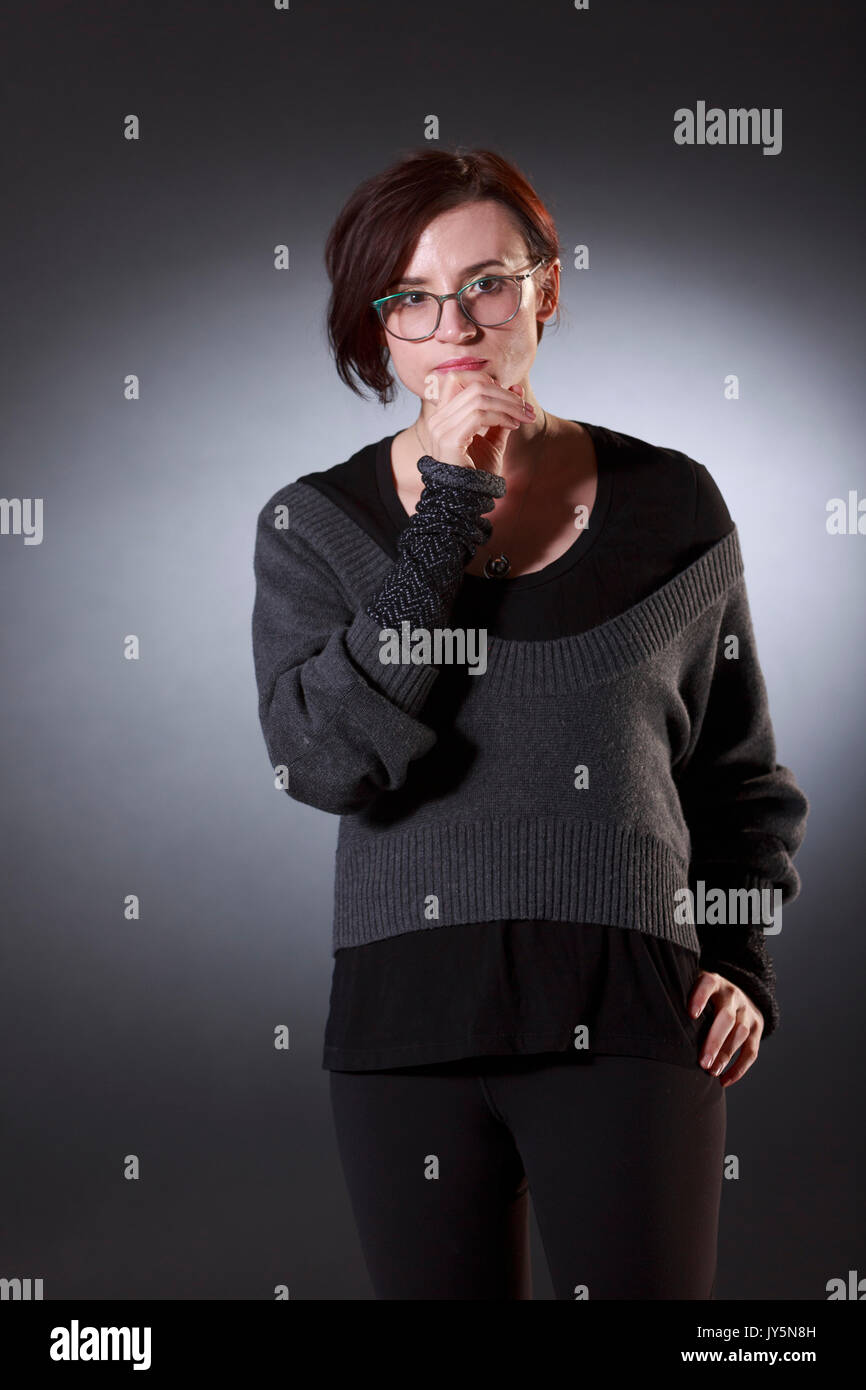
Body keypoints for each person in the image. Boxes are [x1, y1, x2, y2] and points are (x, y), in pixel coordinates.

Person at [251, 147, 809, 1300]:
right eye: (409, 297)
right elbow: (322, 759)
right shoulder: (315, 523)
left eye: (485, 285)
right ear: (378, 328)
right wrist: (448, 511)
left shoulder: (669, 500)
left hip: (631, 1010)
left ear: (545, 289)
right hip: (405, 1024)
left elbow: (734, 772)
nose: (452, 325)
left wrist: (740, 960)